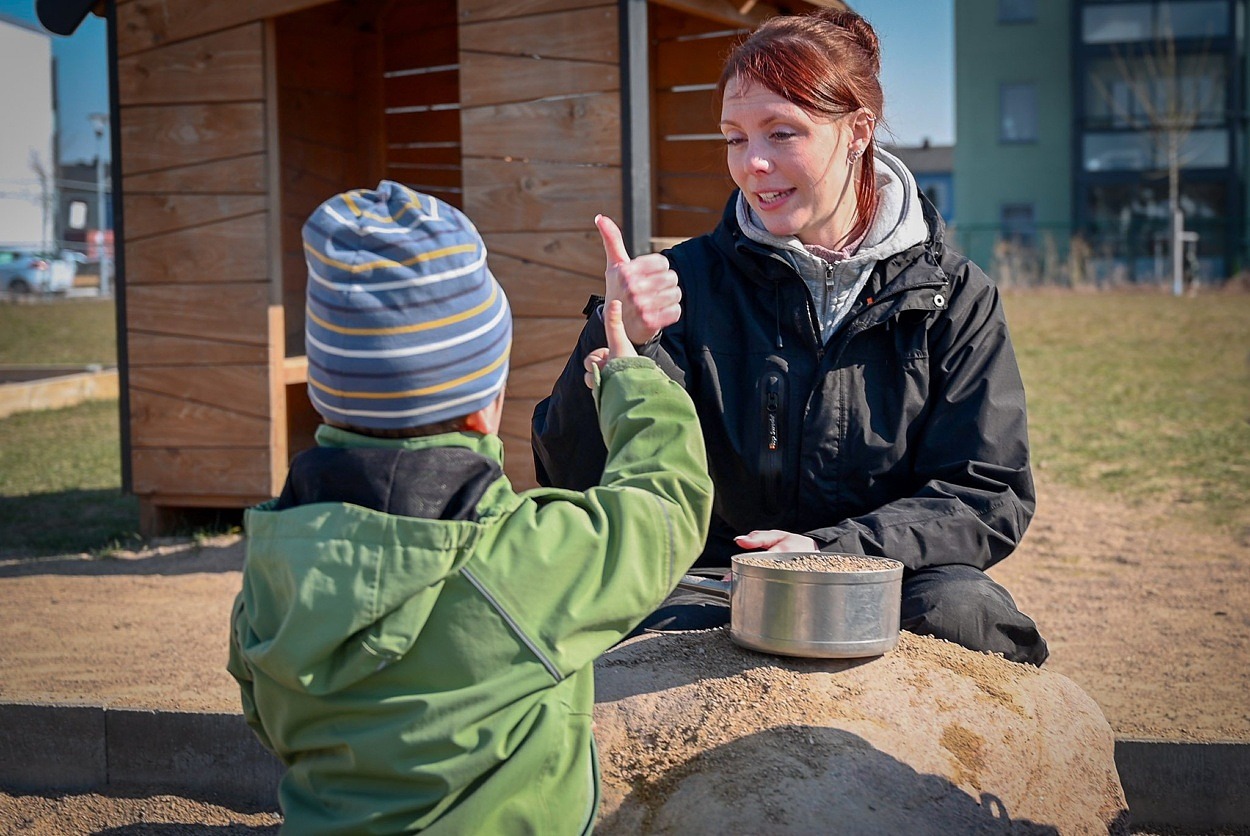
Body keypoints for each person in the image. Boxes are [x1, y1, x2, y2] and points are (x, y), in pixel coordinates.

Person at [531, 9, 1048, 666]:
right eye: (734, 138)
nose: (753, 163)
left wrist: (833, 554)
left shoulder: (955, 296)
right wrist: (615, 345)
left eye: (782, 133)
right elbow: (574, 479)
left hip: (890, 579)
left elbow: (986, 491)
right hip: (715, 582)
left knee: (966, 611)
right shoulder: (682, 288)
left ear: (857, 131)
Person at [227, 181, 713, 834]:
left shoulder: (277, 559)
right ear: (485, 406)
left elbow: (263, 715)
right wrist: (633, 380)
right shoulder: (518, 563)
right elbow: (664, 504)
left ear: (326, 393)